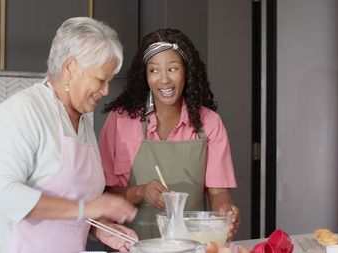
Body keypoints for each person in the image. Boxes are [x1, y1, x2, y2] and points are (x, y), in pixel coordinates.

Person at [0, 17, 138, 253]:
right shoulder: (22, 110)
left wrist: (100, 227)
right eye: (100, 80)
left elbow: (73, 202)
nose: (105, 90)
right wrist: (89, 209)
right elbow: (3, 193)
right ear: (70, 68)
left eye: (108, 81)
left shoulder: (83, 122)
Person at [99, 28, 240, 240]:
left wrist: (225, 211)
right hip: (130, 246)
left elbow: (218, 193)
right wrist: (140, 192)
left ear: (187, 71)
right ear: (144, 75)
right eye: (154, 71)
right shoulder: (120, 121)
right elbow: (102, 194)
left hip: (190, 246)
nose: (164, 80)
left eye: (173, 69)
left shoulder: (209, 123)